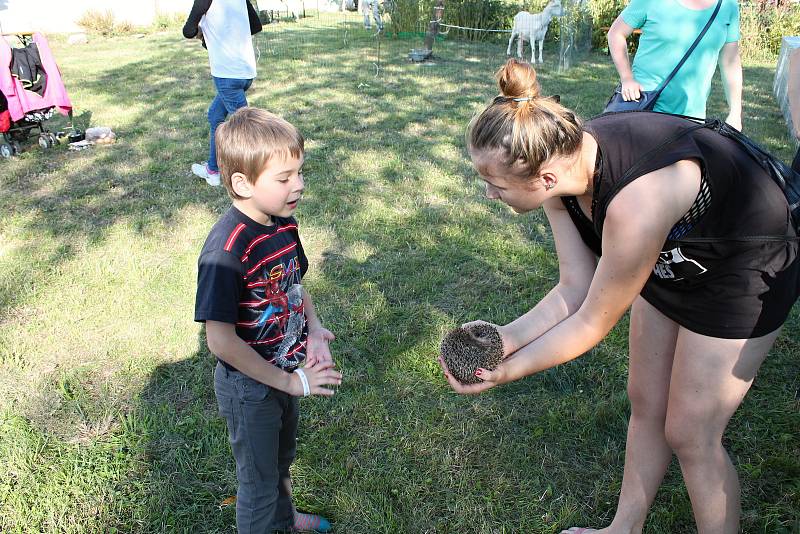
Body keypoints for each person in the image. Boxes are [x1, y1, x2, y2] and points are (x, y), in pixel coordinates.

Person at [440, 59, 799, 534]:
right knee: (646, 400)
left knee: (690, 433)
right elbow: (575, 286)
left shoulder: (635, 203)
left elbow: (592, 321)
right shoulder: (559, 172)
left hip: (744, 259)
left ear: (541, 178)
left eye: (495, 185)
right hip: (677, 250)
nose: (489, 194)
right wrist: (506, 339)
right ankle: (623, 530)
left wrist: (506, 371)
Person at [195, 107, 342, 533]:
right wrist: (290, 382)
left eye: (299, 172)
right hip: (250, 387)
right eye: (284, 178)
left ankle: (284, 517)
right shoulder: (226, 252)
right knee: (257, 483)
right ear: (242, 183)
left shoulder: (281, 223)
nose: (299, 184)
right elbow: (220, 342)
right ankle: (268, 519)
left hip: (285, 372)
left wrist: (313, 330)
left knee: (279, 458)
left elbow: (294, 283)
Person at [607, 0, 743, 129]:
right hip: (644, 108)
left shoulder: (727, 6)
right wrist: (627, 78)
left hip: (692, 119)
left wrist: (735, 113)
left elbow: (730, 61)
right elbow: (616, 33)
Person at [183, 0, 262, 186]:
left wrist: (203, 34)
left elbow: (188, 31)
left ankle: (258, 173)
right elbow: (256, 25)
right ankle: (213, 170)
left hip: (226, 74)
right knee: (215, 115)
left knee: (246, 129)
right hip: (245, 73)